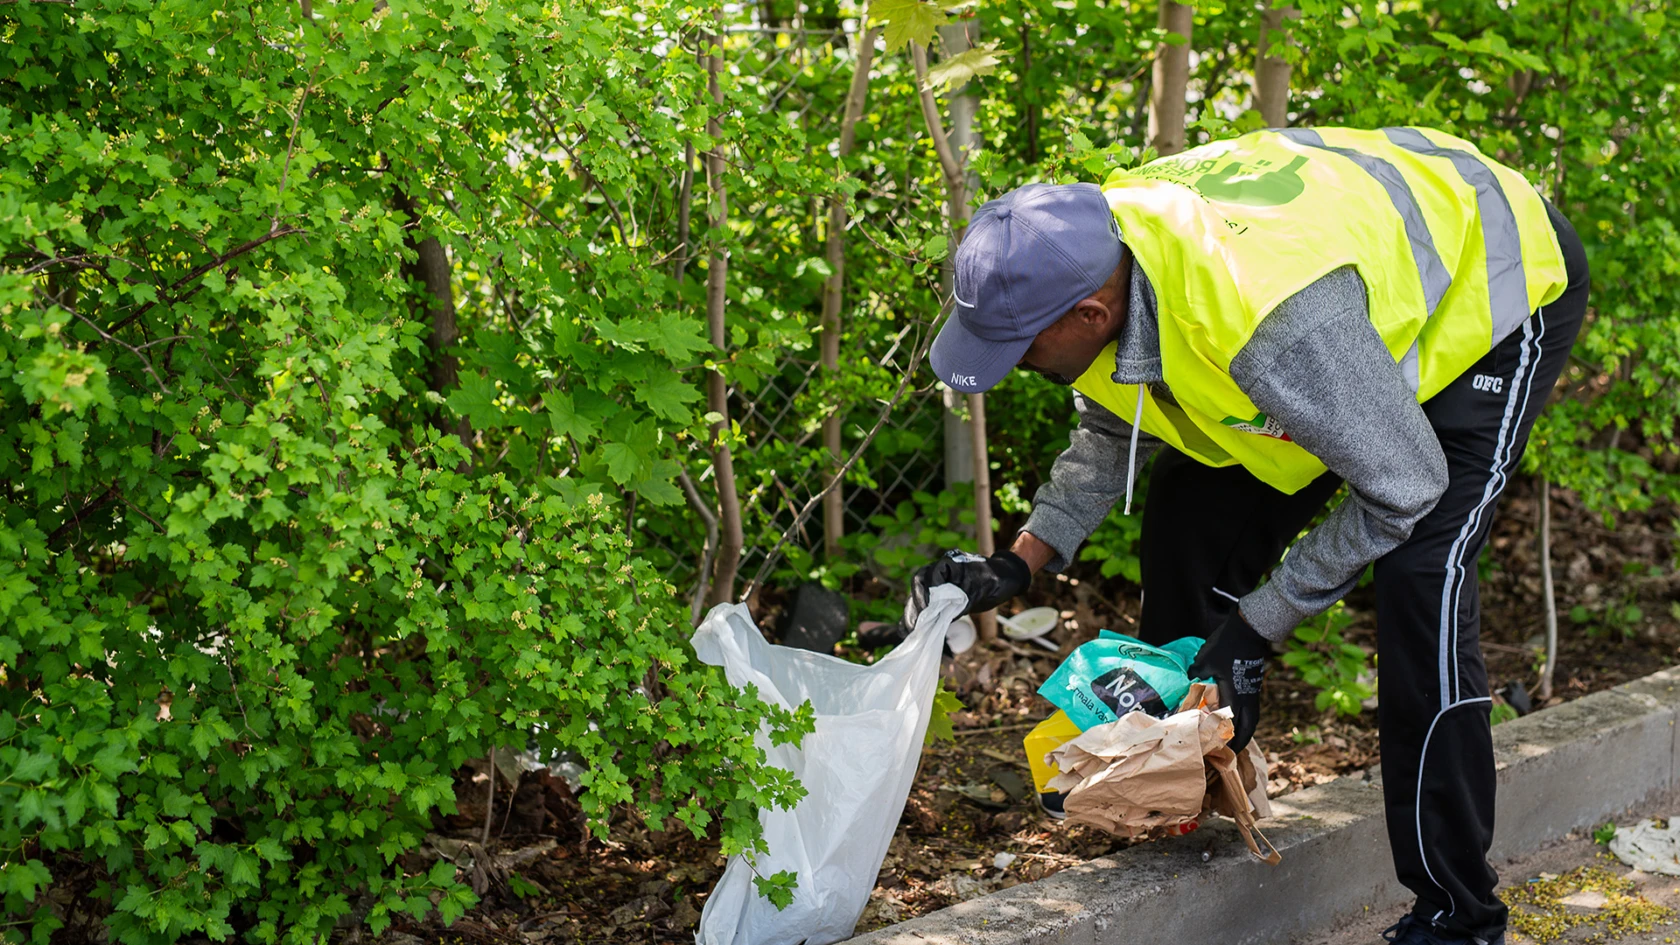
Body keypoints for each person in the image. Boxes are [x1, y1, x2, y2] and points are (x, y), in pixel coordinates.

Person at [903, 126, 1589, 945]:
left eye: (1019, 349)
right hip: (1332, 332)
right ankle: (1184, 783)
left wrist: (1254, 630)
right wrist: (1018, 562)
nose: (1013, 365)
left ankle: (1457, 914)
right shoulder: (1102, 258)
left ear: (1092, 311)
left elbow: (1403, 488)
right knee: (1187, 526)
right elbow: (1114, 427)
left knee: (1421, 576)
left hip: (1493, 285)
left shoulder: (1267, 324)